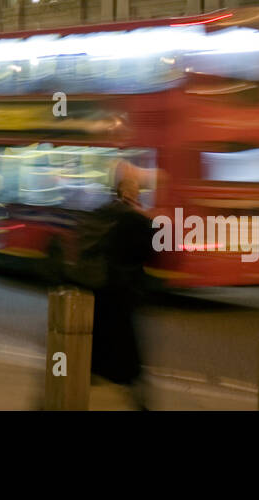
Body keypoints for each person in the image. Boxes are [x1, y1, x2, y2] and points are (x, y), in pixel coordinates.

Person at [88, 159, 156, 409]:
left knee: (93, 352)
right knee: (128, 359)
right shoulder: (135, 220)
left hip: (99, 293)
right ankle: (139, 402)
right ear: (130, 193)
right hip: (123, 295)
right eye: (136, 190)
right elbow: (153, 250)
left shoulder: (102, 212)